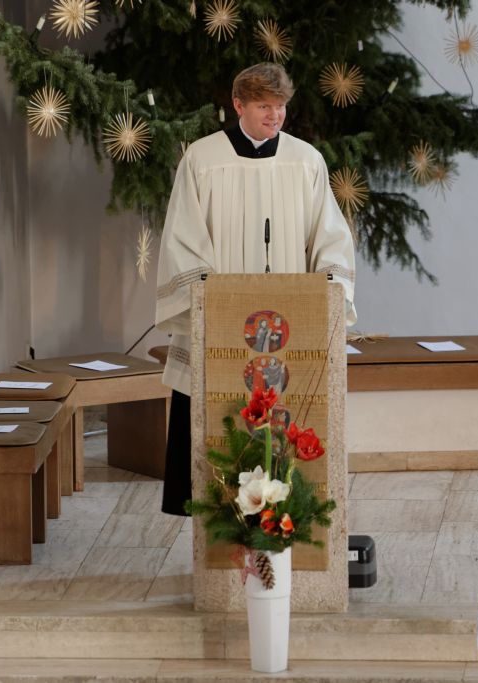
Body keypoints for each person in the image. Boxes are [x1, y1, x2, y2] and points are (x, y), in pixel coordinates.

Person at [154, 63, 356, 516]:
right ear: (238, 104)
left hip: (289, 330)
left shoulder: (306, 161)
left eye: (281, 106)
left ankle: (290, 513)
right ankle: (217, 516)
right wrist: (212, 301)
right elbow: (184, 240)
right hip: (222, 326)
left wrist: (329, 287)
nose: (275, 115)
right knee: (216, 424)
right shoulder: (203, 160)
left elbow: (330, 237)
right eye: (264, 106)